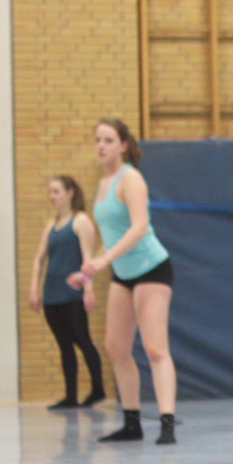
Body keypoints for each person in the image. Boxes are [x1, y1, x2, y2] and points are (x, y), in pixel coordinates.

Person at [73, 118, 177, 445]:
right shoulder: (103, 183)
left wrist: (104, 261)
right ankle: (132, 424)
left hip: (151, 268)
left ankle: (167, 423)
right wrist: (91, 268)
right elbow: (111, 236)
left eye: (108, 140)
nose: (101, 146)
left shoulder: (130, 178)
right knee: (115, 347)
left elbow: (139, 227)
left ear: (123, 145)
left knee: (155, 348)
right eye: (97, 140)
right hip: (123, 273)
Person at [29, 176, 106, 409]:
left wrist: (88, 290)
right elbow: (39, 259)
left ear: (70, 193)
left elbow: (88, 258)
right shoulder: (51, 225)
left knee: (83, 339)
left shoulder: (80, 221)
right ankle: (70, 396)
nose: (51, 196)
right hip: (51, 295)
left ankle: (98, 390)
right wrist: (34, 289)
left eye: (56, 191)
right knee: (64, 344)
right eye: (50, 192)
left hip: (72, 294)